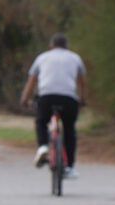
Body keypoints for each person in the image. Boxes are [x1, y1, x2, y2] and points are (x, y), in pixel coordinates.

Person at [20, 33, 86, 178]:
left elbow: (32, 81)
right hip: (69, 99)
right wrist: (82, 100)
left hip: (46, 97)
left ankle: (43, 147)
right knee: (69, 130)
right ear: (66, 46)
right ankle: (69, 167)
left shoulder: (42, 57)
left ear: (51, 46)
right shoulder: (75, 58)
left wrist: (24, 99)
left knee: (41, 121)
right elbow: (82, 82)